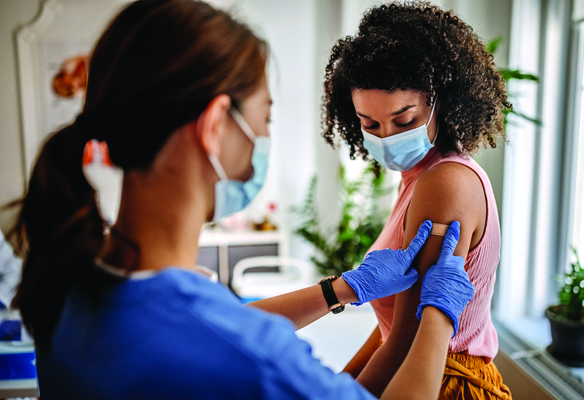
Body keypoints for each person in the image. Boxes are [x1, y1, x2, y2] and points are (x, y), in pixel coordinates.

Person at [7, 0, 474, 398]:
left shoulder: (65, 282)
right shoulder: (251, 360)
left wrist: (343, 287)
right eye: (264, 117)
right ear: (214, 127)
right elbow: (226, 337)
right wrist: (437, 314)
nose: (266, 137)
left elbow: (213, 323)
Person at [323, 2, 512, 399]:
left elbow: (407, 344)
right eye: (369, 124)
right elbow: (389, 331)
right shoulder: (416, 178)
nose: (388, 137)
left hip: (443, 382)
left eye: (404, 121)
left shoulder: (444, 183)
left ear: (439, 100)